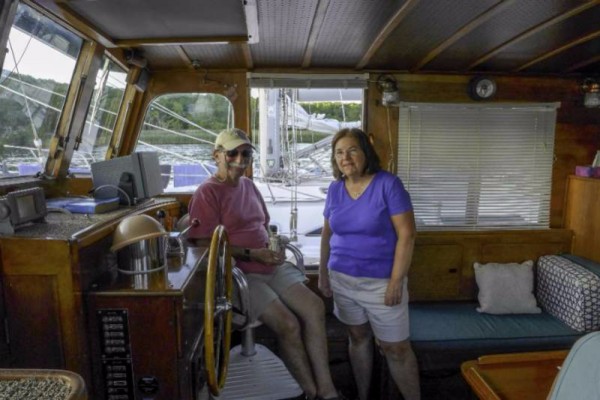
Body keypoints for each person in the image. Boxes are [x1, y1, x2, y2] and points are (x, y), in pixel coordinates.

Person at [187, 128, 343, 400]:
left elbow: (262, 224)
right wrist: (251, 253)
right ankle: (310, 391)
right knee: (289, 325)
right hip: (239, 275)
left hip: (270, 265)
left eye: (245, 153)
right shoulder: (207, 192)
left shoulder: (248, 185)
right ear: (217, 156)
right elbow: (201, 244)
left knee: (315, 307)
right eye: (232, 152)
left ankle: (327, 389)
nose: (239, 158)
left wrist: (275, 244)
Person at [318, 127, 420, 400]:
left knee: (396, 348)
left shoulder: (388, 184)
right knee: (358, 337)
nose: (345, 157)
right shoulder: (335, 189)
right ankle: (364, 396)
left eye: (352, 150)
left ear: (366, 153)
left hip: (382, 284)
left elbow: (407, 235)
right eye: (339, 152)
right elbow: (328, 233)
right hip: (342, 279)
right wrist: (323, 275)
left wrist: (396, 281)